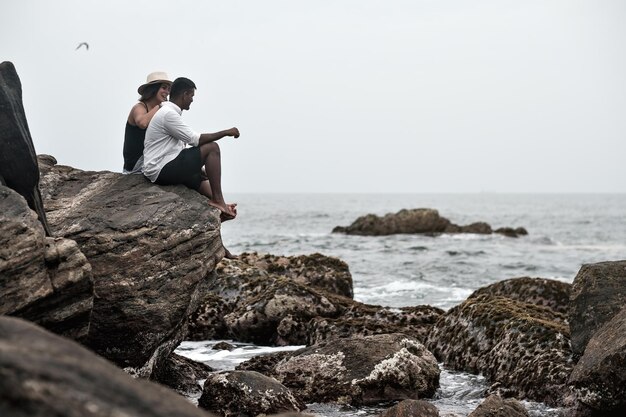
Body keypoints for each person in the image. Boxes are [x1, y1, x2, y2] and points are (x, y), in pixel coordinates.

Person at [143, 77, 239, 221]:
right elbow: (196, 140)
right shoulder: (168, 114)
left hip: (163, 167)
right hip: (160, 169)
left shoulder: (168, 112)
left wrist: (198, 168)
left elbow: (178, 149)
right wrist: (226, 132)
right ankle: (218, 201)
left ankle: (222, 208)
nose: (192, 100)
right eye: (191, 96)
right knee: (212, 148)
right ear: (185, 94)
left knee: (198, 176)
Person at [122, 71, 172, 174]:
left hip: (151, 159)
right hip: (136, 165)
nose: (167, 92)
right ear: (153, 89)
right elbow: (142, 123)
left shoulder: (160, 111)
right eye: (163, 88)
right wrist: (160, 106)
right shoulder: (139, 107)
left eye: (168, 89)